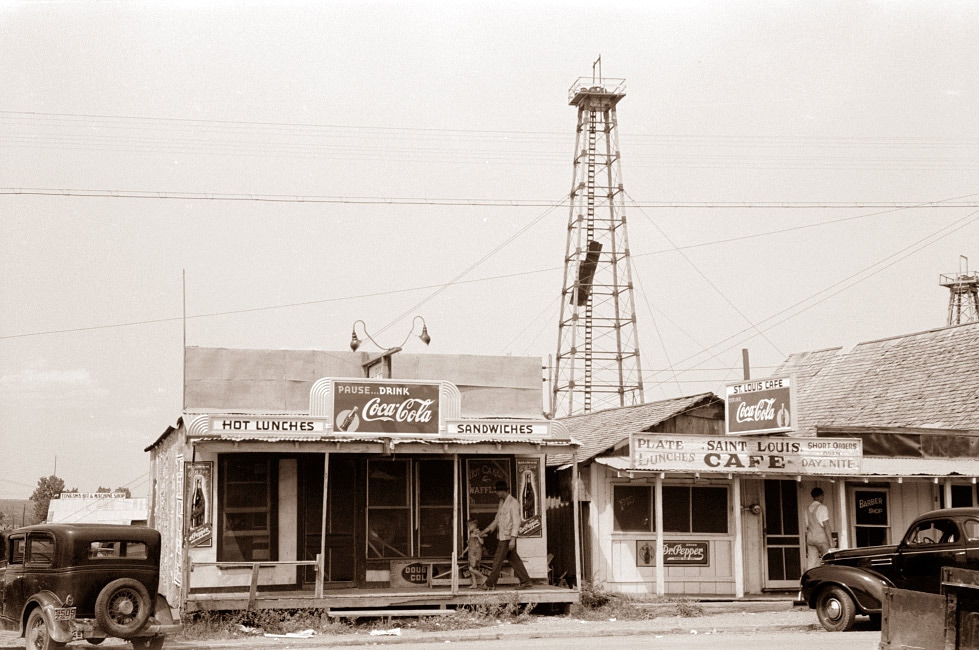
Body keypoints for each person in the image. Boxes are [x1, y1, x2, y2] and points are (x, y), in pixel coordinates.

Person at [481, 480, 532, 590]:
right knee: (514, 559)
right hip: (503, 536)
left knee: (497, 560)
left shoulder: (513, 503)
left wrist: (513, 539)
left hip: (508, 538)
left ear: (502, 491)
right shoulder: (502, 502)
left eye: (497, 491)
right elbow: (497, 520)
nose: (496, 494)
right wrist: (485, 531)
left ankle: (490, 584)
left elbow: (516, 522)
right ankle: (526, 581)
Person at [806, 487, 833, 569]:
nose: (823, 498)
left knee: (811, 562)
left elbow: (807, 526)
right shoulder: (822, 508)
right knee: (827, 561)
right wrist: (831, 541)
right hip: (821, 539)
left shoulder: (807, 509)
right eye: (822, 496)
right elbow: (826, 526)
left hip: (810, 538)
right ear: (819, 496)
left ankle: (809, 578)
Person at [465, 516, 486, 589]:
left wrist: (478, 537)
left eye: (469, 526)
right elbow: (469, 545)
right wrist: (463, 552)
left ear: (474, 525)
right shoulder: (471, 534)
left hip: (476, 553)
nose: (468, 527)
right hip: (471, 553)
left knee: (472, 568)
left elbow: (482, 542)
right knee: (472, 570)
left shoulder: (478, 532)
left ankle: (483, 577)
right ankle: (474, 584)